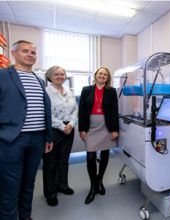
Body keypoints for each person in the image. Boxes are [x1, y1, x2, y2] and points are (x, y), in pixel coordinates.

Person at [0, 40, 53, 220]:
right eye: (25, 51)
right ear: (14, 53)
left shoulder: (40, 81)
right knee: (10, 188)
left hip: (37, 140)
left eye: (33, 52)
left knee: (28, 184)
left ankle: (25, 217)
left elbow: (44, 111)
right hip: (12, 140)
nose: (30, 54)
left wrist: (48, 137)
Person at [78, 66, 119, 204]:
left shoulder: (112, 91)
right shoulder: (86, 90)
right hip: (91, 126)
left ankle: (99, 180)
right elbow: (82, 110)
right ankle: (93, 185)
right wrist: (82, 129)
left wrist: (114, 129)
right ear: (96, 75)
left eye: (105, 75)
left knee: (105, 154)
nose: (102, 76)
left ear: (107, 78)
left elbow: (114, 111)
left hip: (106, 126)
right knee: (90, 156)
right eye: (100, 73)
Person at [42, 66, 78, 206]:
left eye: (62, 74)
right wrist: (63, 126)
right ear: (50, 76)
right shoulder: (46, 92)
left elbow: (75, 109)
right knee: (50, 163)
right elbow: (46, 113)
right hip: (53, 130)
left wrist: (71, 123)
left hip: (69, 128)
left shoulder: (69, 91)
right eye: (56, 74)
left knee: (64, 160)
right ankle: (50, 193)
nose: (60, 76)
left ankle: (63, 185)